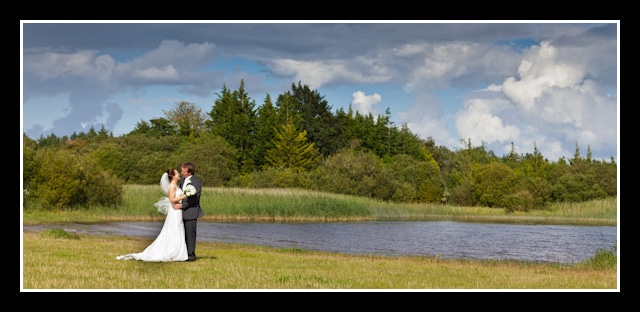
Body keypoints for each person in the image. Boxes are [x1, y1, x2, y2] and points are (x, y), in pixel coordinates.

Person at [116, 168, 189, 262]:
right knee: (174, 228)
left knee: (178, 228)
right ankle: (173, 251)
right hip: (174, 211)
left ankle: (179, 253)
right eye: (177, 173)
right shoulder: (172, 187)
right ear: (172, 176)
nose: (179, 174)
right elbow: (171, 199)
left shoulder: (176, 186)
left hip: (178, 210)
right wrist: (184, 196)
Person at [173, 162, 204, 262]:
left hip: (191, 211)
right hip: (181, 212)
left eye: (184, 171)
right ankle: (183, 253)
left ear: (190, 172)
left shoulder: (197, 182)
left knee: (190, 234)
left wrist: (182, 205)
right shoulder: (183, 180)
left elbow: (195, 199)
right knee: (182, 233)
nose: (181, 173)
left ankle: (191, 255)